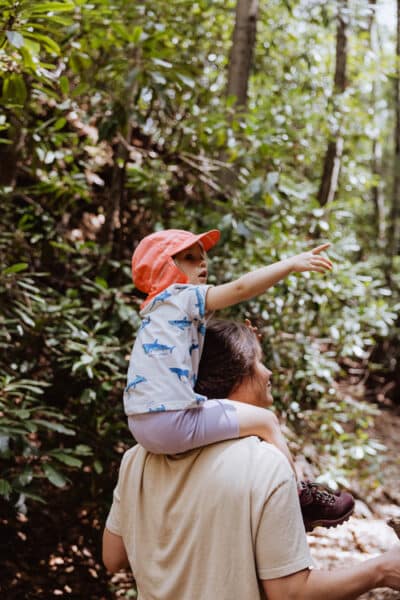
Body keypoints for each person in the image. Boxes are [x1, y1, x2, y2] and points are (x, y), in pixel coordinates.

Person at [104, 319, 400, 600]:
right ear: (233, 374)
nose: (267, 372)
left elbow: (113, 557)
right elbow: (291, 593)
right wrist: (381, 569)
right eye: (257, 361)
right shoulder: (264, 464)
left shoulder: (138, 458)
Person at [124, 227, 353, 529]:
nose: (202, 264)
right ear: (164, 269)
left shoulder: (155, 312)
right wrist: (290, 264)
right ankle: (298, 497)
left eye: (203, 257)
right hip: (171, 421)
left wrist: (246, 342)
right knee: (266, 421)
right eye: (189, 258)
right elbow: (241, 288)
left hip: (140, 425)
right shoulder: (183, 296)